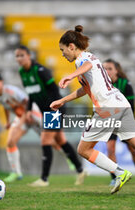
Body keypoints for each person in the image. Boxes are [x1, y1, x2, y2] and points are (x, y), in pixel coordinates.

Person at [50, 25, 135, 196]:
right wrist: (63, 100)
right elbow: (85, 89)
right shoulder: (88, 59)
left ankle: (120, 173)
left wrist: (70, 76)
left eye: (63, 50)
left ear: (71, 46)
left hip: (107, 107)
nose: (63, 54)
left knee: (83, 150)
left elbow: (87, 65)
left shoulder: (83, 60)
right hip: (120, 103)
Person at [15, 45, 87, 187]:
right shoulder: (22, 72)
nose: (19, 58)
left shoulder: (40, 70)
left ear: (29, 56)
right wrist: (29, 110)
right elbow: (31, 93)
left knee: (45, 139)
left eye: (21, 55)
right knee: (60, 140)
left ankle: (44, 179)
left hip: (54, 109)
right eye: (17, 56)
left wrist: (55, 109)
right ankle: (81, 170)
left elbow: (54, 90)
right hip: (45, 111)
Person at [0, 71, 38, 182]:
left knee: (53, 140)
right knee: (10, 142)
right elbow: (6, 106)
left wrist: (22, 121)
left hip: (34, 114)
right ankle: (16, 173)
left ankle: (70, 160)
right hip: (21, 118)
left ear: (1, 82)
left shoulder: (11, 91)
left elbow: (27, 102)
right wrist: (8, 122)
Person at [103, 59, 135, 186]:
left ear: (117, 70)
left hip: (123, 122)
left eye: (110, 68)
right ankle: (114, 178)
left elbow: (131, 106)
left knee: (133, 150)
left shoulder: (126, 84)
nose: (107, 71)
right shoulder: (103, 85)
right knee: (110, 149)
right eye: (104, 68)